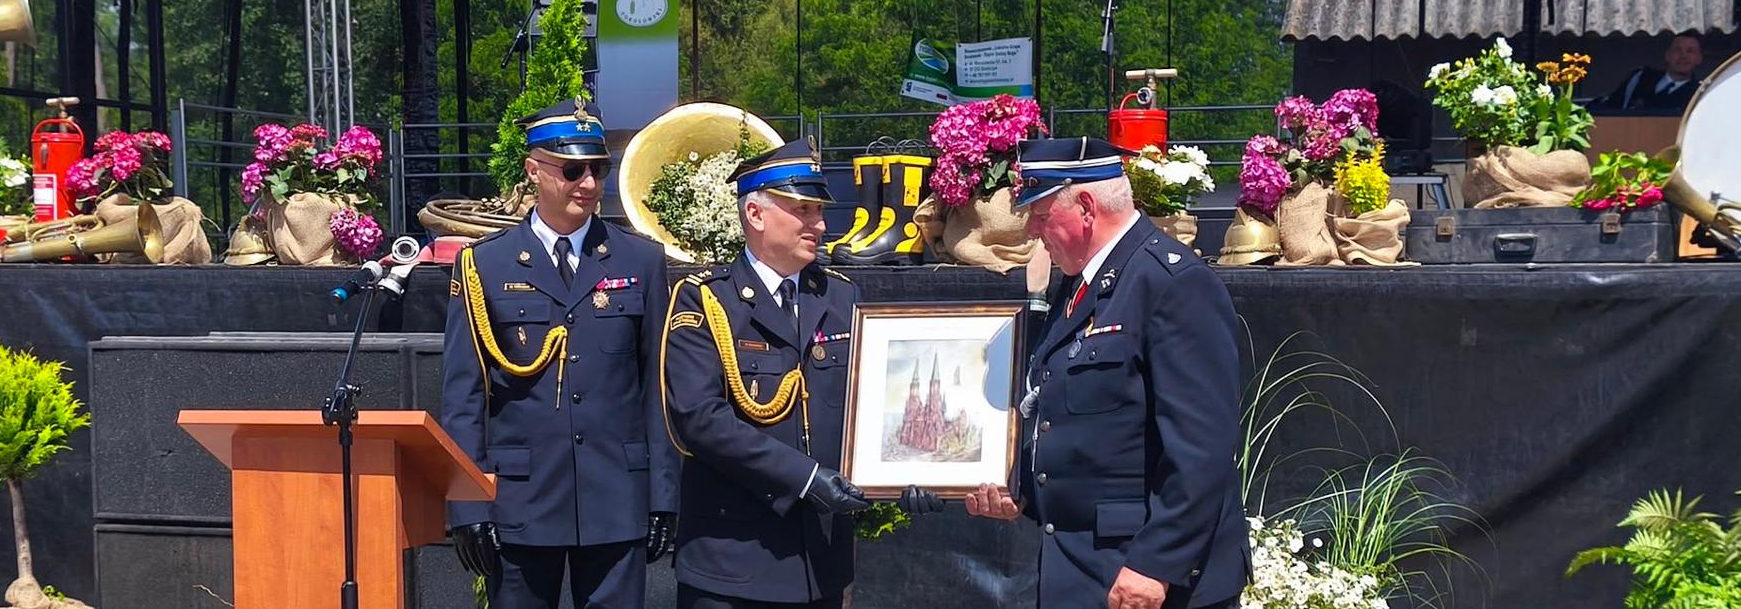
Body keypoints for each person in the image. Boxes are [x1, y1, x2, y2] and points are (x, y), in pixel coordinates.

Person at [964, 136, 1247, 609]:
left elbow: (1202, 448)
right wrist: (1023, 493)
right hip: (1083, 569)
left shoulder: (1172, 283)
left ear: (1087, 207)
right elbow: (1074, 417)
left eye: (1039, 214)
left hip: (1149, 579)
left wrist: (1156, 565)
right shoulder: (1082, 285)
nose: (1034, 231)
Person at [660, 137, 942, 609]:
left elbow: (874, 405)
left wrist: (910, 471)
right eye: (804, 210)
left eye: (819, 210)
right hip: (732, 564)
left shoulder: (840, 296)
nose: (821, 224)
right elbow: (699, 419)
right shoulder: (706, 299)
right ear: (755, 214)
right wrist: (807, 478)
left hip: (820, 564)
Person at [442, 98, 678, 609]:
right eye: (573, 170)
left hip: (616, 495)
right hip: (520, 501)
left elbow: (657, 389)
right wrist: (466, 504)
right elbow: (463, 397)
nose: (588, 184)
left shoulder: (640, 260)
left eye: (598, 170)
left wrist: (664, 494)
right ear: (534, 171)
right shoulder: (484, 264)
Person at [1594, 33, 1705, 112]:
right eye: (1677, 50)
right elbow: (1612, 108)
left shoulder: (1699, 94)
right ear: (1667, 55)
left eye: (1690, 51)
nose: (1683, 56)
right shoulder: (1641, 77)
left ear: (1699, 59)